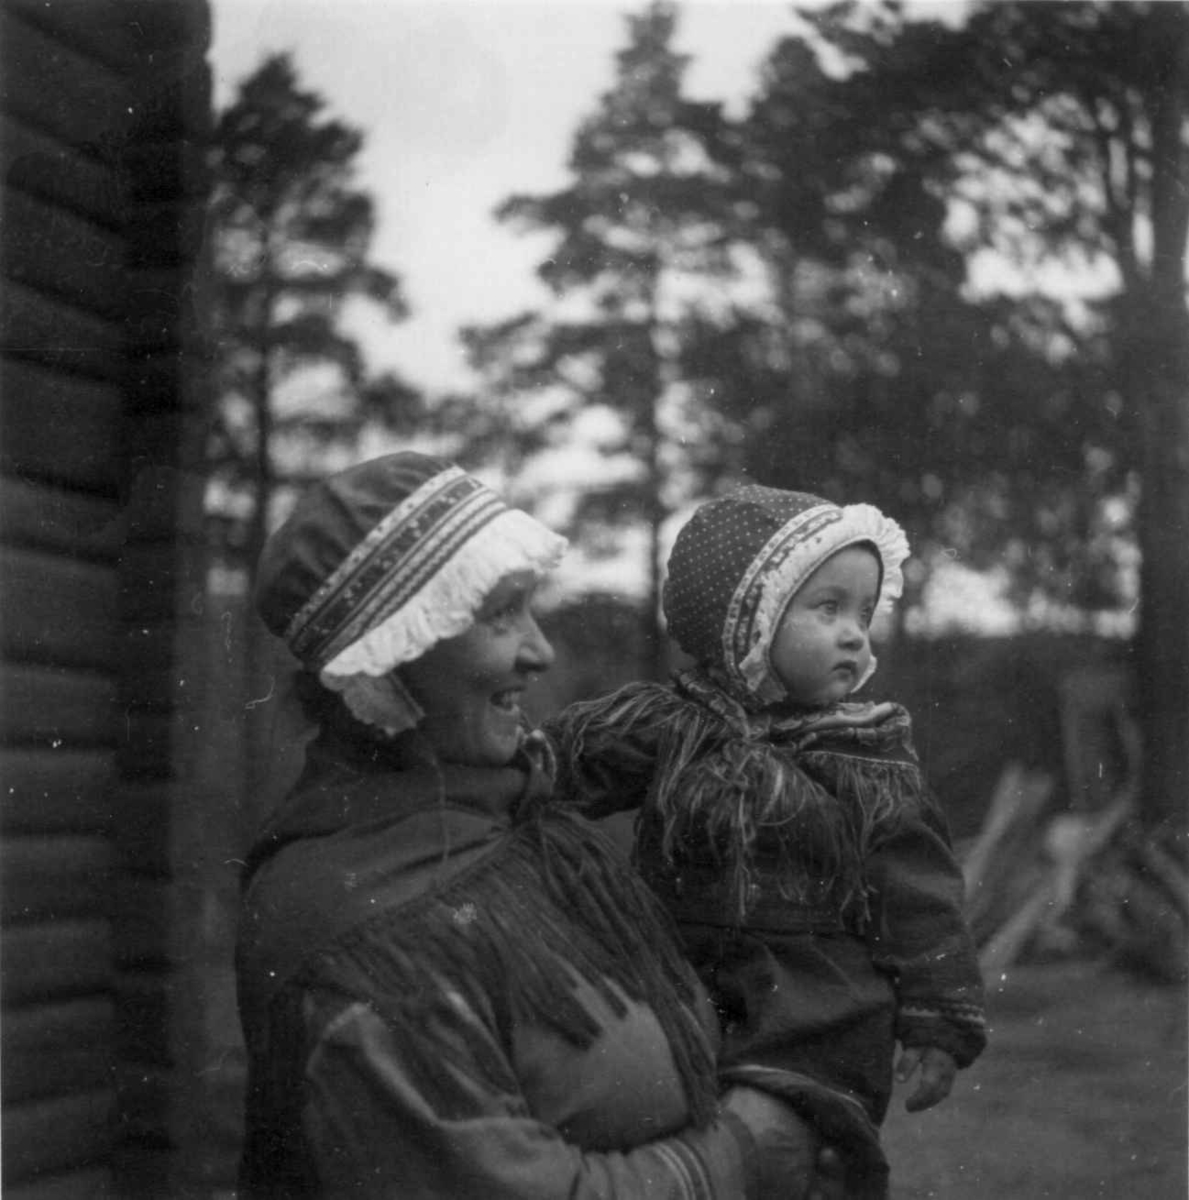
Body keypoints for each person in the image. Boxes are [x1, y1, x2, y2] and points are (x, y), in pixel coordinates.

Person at [235, 453, 849, 1198]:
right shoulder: (348, 931)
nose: (540, 650)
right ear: (388, 665)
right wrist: (740, 1155)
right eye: (498, 615)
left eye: (530, 607)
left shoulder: (518, 828)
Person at [547, 485, 988, 1199]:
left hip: (815, 1004)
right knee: (670, 1133)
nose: (854, 633)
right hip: (679, 980)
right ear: (744, 625)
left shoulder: (866, 757)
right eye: (826, 609)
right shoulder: (674, 725)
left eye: (862, 614)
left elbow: (921, 896)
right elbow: (568, 764)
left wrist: (938, 1020)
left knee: (784, 1146)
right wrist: (510, 770)